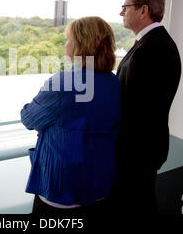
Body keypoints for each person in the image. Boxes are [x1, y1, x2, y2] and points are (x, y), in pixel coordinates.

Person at [20, 16, 121, 214]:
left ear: (79, 46)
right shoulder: (114, 83)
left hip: (62, 190)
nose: (66, 44)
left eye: (68, 39)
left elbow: (29, 118)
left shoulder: (63, 83)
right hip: (99, 184)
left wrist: (46, 124)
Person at [113, 0, 182, 213]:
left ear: (143, 10)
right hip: (145, 148)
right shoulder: (154, 42)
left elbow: (133, 109)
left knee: (135, 205)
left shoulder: (150, 49)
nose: (121, 12)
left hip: (135, 152)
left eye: (125, 6)